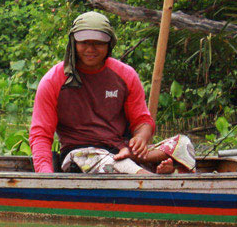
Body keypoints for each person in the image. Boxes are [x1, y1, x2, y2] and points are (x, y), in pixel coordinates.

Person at [29, 11, 196, 175]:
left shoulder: (125, 75)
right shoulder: (53, 80)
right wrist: (46, 176)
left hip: (119, 151)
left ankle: (147, 168)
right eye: (84, 43)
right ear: (73, 44)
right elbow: (41, 134)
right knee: (107, 161)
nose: (90, 49)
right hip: (81, 156)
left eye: (98, 43)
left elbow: (142, 121)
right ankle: (152, 178)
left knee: (183, 144)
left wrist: (140, 139)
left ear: (109, 44)